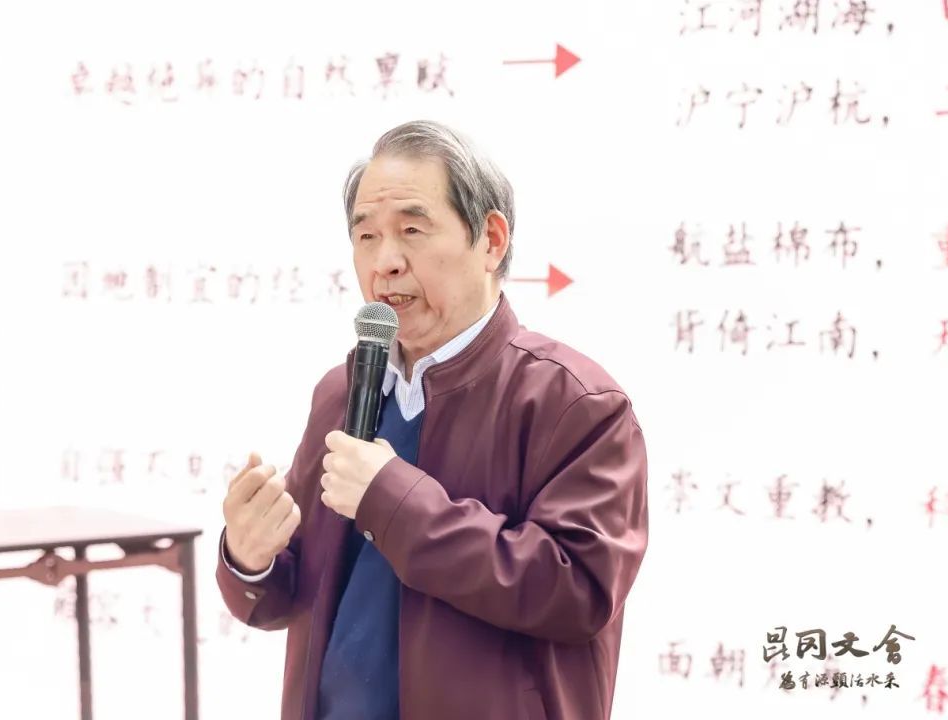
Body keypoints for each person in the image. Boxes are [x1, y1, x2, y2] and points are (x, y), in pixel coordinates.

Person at [217, 119, 649, 720]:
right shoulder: (342, 392)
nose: (385, 262)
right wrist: (251, 557)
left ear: (491, 240)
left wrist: (392, 500)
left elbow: (579, 592)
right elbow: (289, 593)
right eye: (366, 236)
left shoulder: (574, 402)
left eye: (412, 230)